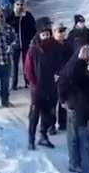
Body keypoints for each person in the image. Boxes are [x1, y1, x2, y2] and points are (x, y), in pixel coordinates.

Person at [24, 18, 67, 150]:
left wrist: (58, 75)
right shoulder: (33, 50)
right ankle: (31, 138)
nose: (46, 37)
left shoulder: (56, 48)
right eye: (43, 35)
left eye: (48, 34)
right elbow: (28, 69)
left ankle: (43, 135)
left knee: (49, 113)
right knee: (35, 113)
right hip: (37, 88)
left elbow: (61, 64)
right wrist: (34, 84)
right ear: (39, 35)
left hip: (51, 87)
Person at [5, 0, 37, 90]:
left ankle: (27, 81)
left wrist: (31, 39)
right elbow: (7, 26)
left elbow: (33, 28)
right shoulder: (10, 15)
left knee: (26, 64)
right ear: (14, 6)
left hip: (25, 43)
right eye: (17, 4)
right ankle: (14, 84)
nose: (19, 6)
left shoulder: (28, 15)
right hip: (15, 44)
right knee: (14, 64)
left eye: (21, 5)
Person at [52, 23, 71, 134]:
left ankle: (63, 123)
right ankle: (51, 125)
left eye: (63, 31)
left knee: (63, 99)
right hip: (54, 77)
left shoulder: (67, 45)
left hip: (65, 76)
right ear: (54, 32)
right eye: (60, 31)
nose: (62, 33)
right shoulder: (51, 46)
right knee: (53, 101)